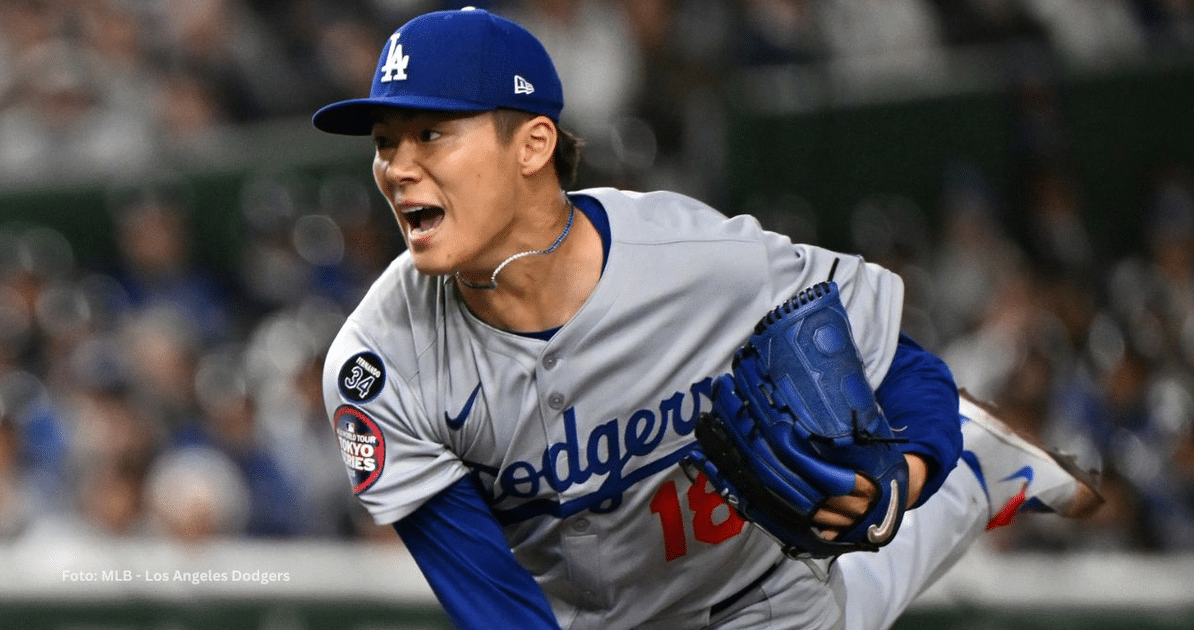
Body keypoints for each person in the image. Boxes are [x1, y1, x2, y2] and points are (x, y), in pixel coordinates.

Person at [312, 8, 1102, 629]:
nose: (396, 167)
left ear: (533, 145)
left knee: (883, 531)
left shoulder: (694, 257)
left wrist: (913, 471)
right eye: (384, 143)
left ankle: (971, 466)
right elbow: (492, 600)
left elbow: (899, 363)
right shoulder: (378, 367)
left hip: (762, 596)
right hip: (596, 619)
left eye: (431, 133)